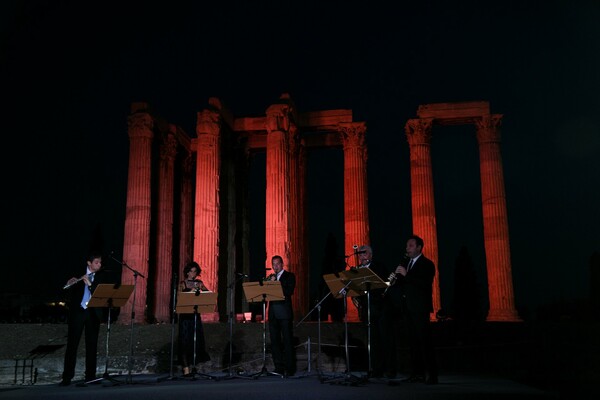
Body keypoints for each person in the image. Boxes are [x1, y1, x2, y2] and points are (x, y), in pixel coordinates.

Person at [59, 252, 113, 386]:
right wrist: (69, 284)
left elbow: (101, 295)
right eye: (97, 262)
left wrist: (89, 284)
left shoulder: (102, 276)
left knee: (92, 345)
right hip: (78, 312)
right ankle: (67, 377)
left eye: (100, 262)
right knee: (72, 345)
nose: (99, 265)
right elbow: (66, 293)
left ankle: (90, 376)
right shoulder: (78, 272)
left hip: (93, 314)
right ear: (89, 263)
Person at [392, 234, 438, 385]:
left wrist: (406, 275)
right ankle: (416, 373)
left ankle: (431, 375)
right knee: (412, 343)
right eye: (407, 246)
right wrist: (394, 278)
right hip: (407, 308)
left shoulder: (427, 264)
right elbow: (403, 285)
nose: (407, 249)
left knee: (424, 342)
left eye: (411, 246)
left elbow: (424, 284)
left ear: (419, 247)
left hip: (420, 308)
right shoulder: (406, 264)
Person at [352, 244, 395, 378]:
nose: (361, 256)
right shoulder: (356, 270)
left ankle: (390, 369)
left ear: (370, 255)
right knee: (372, 340)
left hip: (381, 308)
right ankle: (375, 369)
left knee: (385, 340)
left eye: (364, 253)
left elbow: (385, 284)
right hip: (367, 309)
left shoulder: (379, 266)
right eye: (359, 254)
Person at [178, 261, 211, 376]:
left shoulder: (199, 283)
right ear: (187, 272)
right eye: (191, 271)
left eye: (195, 271)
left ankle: (194, 366)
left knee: (195, 341)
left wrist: (201, 292)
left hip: (195, 315)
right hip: (185, 316)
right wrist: (190, 293)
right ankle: (185, 367)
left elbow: (209, 294)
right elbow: (179, 297)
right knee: (184, 341)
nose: (193, 273)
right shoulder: (183, 283)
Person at [266, 255, 296, 376]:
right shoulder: (270, 277)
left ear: (282, 264)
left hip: (284, 313)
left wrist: (276, 283)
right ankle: (278, 367)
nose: (275, 266)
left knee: (287, 341)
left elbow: (289, 291)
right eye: (273, 264)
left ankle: (289, 369)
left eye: (277, 264)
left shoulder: (289, 276)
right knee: (275, 342)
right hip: (273, 313)